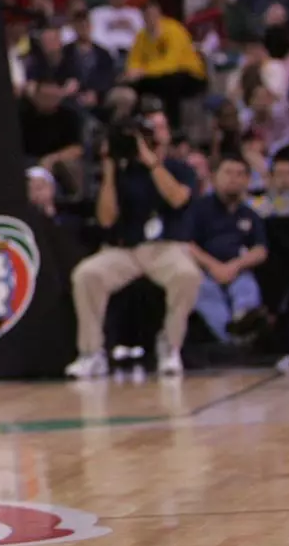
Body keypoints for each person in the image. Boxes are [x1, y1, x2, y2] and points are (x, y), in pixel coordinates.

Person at [64, 112, 202, 379]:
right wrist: (109, 171)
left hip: (165, 247)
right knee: (86, 274)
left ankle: (170, 346)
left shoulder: (179, 168)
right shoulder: (120, 172)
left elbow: (177, 199)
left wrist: (152, 164)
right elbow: (106, 219)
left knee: (187, 275)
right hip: (124, 249)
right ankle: (91, 352)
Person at [187, 154, 268, 342]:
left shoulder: (250, 214)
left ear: (248, 180)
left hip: (237, 269)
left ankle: (244, 321)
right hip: (204, 271)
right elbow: (187, 244)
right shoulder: (198, 209)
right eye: (229, 173)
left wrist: (235, 266)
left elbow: (260, 249)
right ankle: (228, 337)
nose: (234, 178)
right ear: (215, 177)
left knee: (246, 285)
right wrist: (214, 267)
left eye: (240, 174)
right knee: (204, 290)